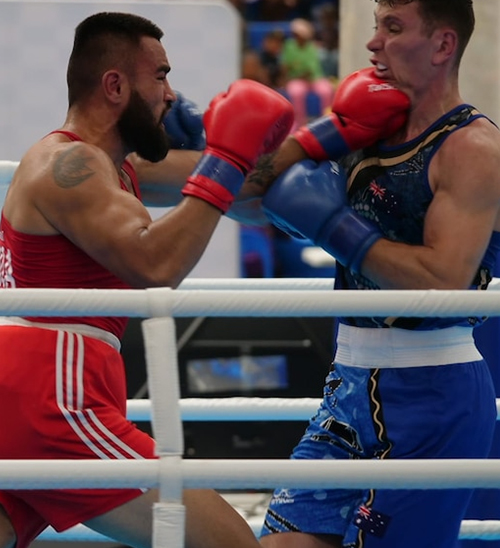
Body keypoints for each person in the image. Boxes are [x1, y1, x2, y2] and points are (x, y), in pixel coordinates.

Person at [0, 11, 294, 548]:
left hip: (37, 389)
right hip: (55, 395)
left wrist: (332, 138)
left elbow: (244, 188)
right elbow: (154, 264)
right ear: (115, 85)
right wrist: (225, 157)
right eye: (159, 75)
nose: (170, 93)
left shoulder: (116, 167)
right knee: (229, 542)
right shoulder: (68, 167)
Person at [244, 0, 500, 547]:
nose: (373, 42)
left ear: (442, 45)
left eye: (393, 27)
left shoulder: (472, 149)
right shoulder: (364, 129)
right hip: (347, 386)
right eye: (377, 25)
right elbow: (250, 197)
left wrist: (336, 228)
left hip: (432, 396)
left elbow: (442, 280)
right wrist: (312, 140)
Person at [281, 18, 335, 128]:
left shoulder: (312, 47)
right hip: (296, 79)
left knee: (326, 90)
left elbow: (310, 71)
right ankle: (300, 125)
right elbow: (285, 65)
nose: (297, 36)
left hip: (314, 78)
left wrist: (302, 74)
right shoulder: (289, 46)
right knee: (296, 92)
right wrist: (287, 78)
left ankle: (325, 122)